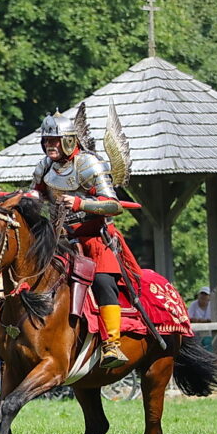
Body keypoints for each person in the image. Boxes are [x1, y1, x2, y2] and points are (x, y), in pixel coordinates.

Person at [31, 111, 141, 369]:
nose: (50, 145)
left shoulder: (88, 164)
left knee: (103, 281)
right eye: (47, 140)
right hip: (58, 238)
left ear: (70, 140)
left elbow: (113, 205)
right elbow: (35, 195)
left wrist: (80, 202)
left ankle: (112, 344)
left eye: (55, 140)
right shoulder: (45, 167)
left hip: (93, 238)